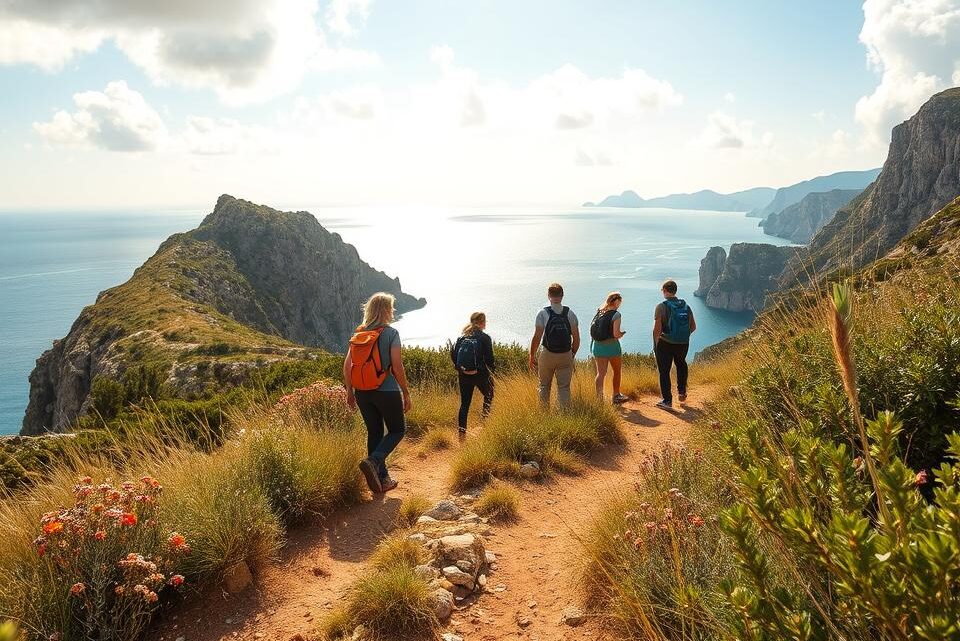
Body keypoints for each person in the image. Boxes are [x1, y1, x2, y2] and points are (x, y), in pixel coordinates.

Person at [344, 292, 412, 494]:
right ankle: (373, 461)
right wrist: (406, 392)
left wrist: (350, 391)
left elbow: (348, 365)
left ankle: (382, 480)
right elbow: (397, 367)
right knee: (397, 430)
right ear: (385, 310)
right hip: (387, 390)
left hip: (362, 392)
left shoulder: (359, 334)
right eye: (390, 307)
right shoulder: (391, 334)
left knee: (374, 432)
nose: (392, 311)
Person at [529, 282, 580, 408]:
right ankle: (564, 415)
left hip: (547, 354)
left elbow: (537, 336)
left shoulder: (543, 313)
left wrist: (532, 355)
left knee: (544, 385)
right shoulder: (570, 313)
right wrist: (571, 353)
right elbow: (577, 339)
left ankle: (543, 414)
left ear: (548, 295)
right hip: (565, 354)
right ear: (562, 295)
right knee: (564, 387)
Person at [652, 279, 696, 410]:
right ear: (675, 291)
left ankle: (667, 401)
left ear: (665, 291)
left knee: (664, 371)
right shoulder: (685, 306)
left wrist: (656, 342)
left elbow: (657, 330)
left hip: (665, 343)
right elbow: (693, 327)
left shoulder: (661, 306)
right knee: (681, 364)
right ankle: (682, 392)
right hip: (683, 343)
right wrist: (682, 336)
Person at [450, 312, 496, 436]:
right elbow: (490, 360)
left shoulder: (462, 338)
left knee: (465, 404)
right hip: (480, 375)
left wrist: (462, 369)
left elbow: (454, 357)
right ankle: (484, 423)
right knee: (489, 394)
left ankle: (462, 434)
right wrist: (491, 371)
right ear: (482, 323)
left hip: (464, 375)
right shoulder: (485, 338)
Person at [590, 291, 629, 404]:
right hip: (612, 347)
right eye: (620, 302)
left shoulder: (599, 312)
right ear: (617, 302)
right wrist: (622, 334)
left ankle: (599, 399)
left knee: (600, 373)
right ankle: (616, 395)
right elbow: (616, 334)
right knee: (617, 371)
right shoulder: (616, 315)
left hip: (597, 347)